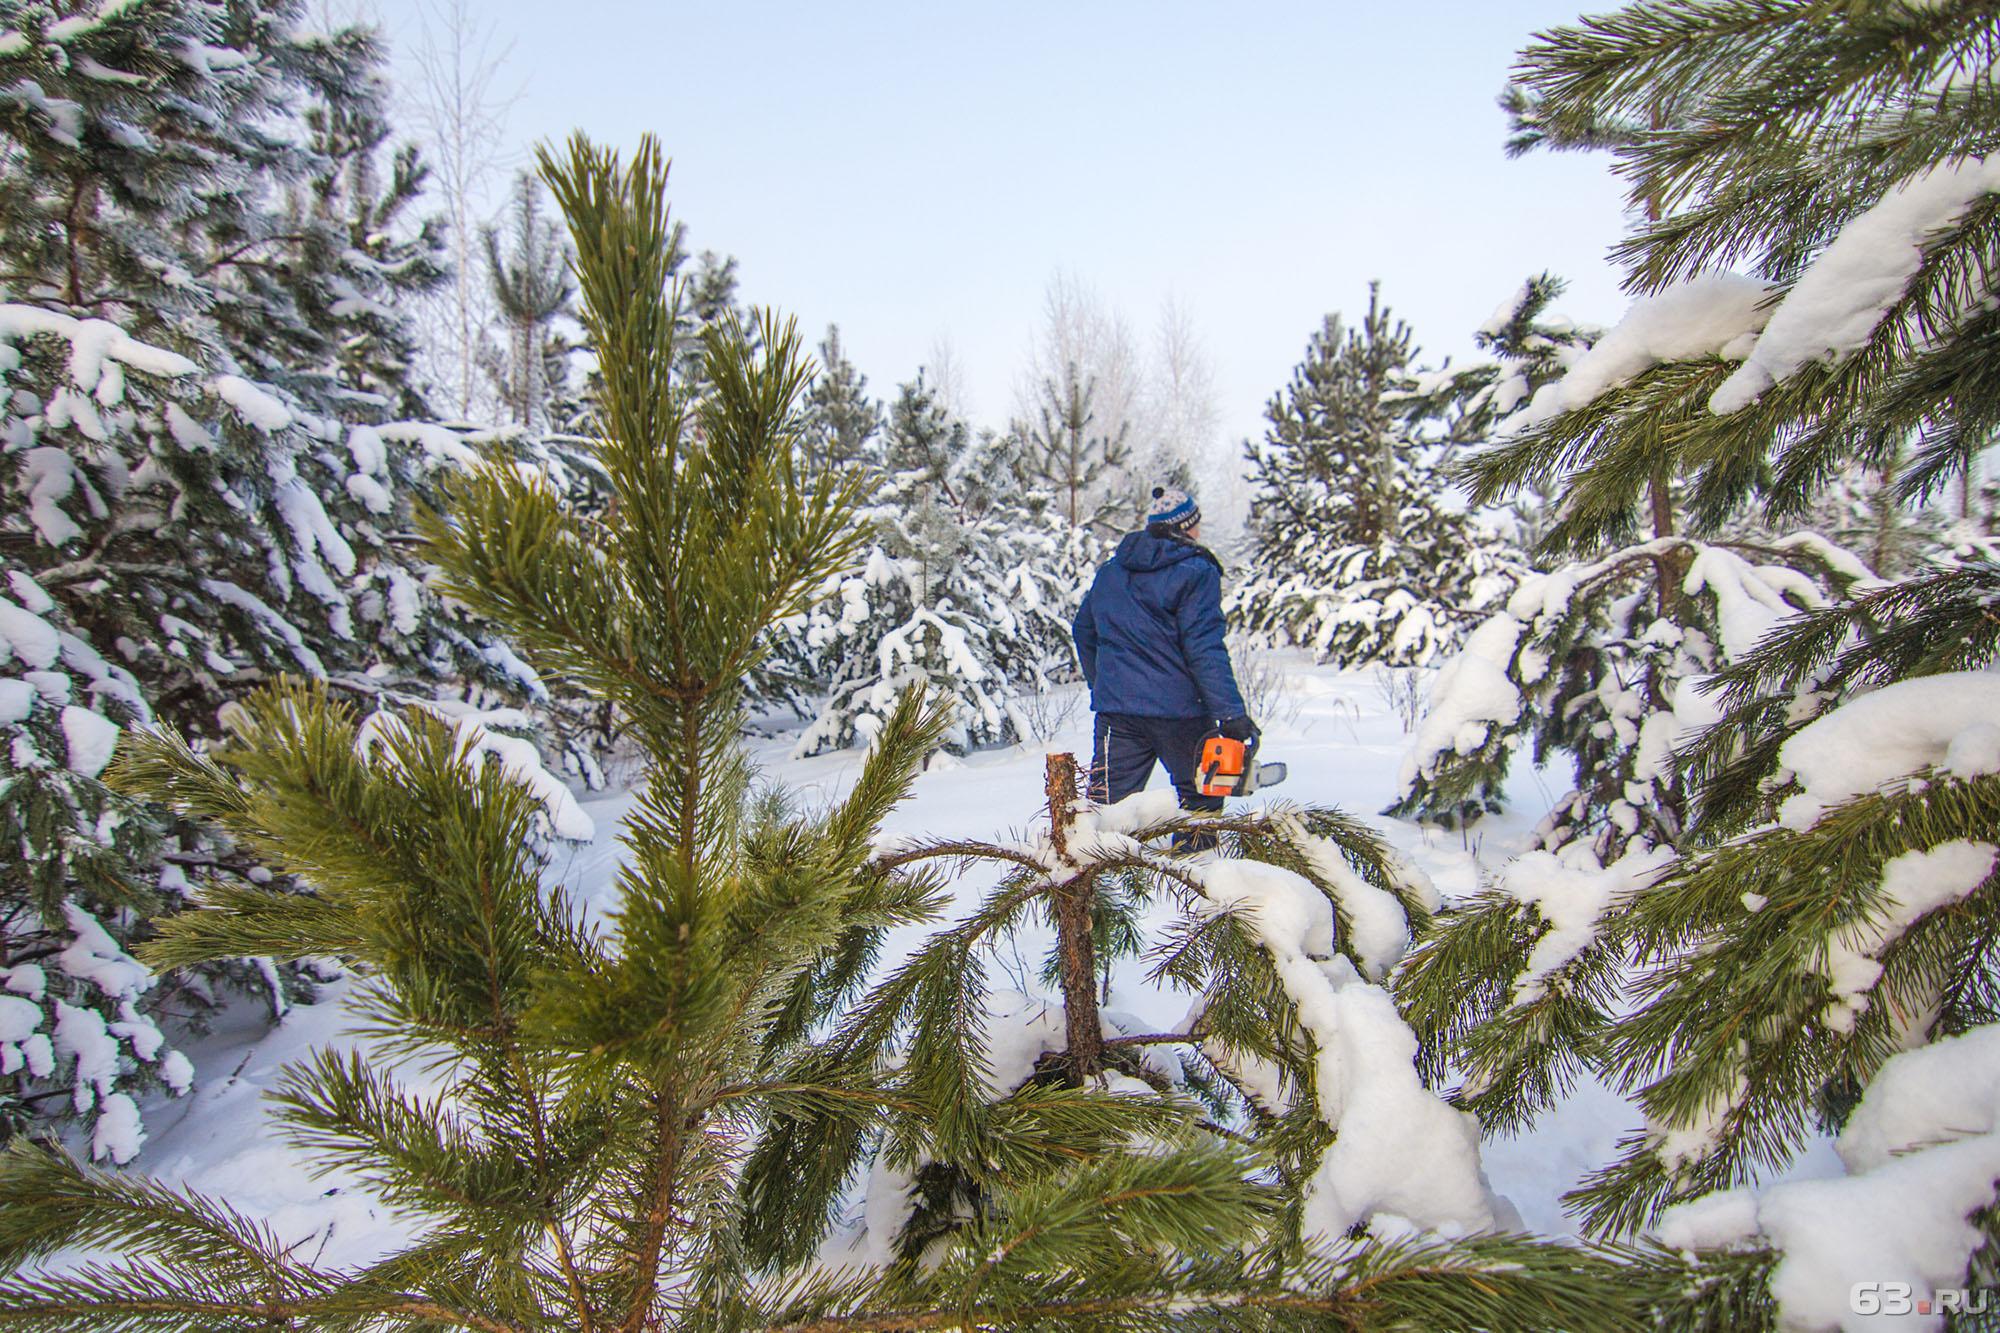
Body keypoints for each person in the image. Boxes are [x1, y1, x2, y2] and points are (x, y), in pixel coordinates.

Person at [1071, 484, 1260, 815]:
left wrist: (1104, 683)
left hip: (1118, 713)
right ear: (1186, 526)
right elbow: (1204, 646)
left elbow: (1083, 629)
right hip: (1181, 713)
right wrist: (1230, 713)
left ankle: (1098, 864)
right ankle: (1194, 864)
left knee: (1106, 807)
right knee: (1200, 799)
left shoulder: (1112, 571)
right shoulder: (1197, 571)